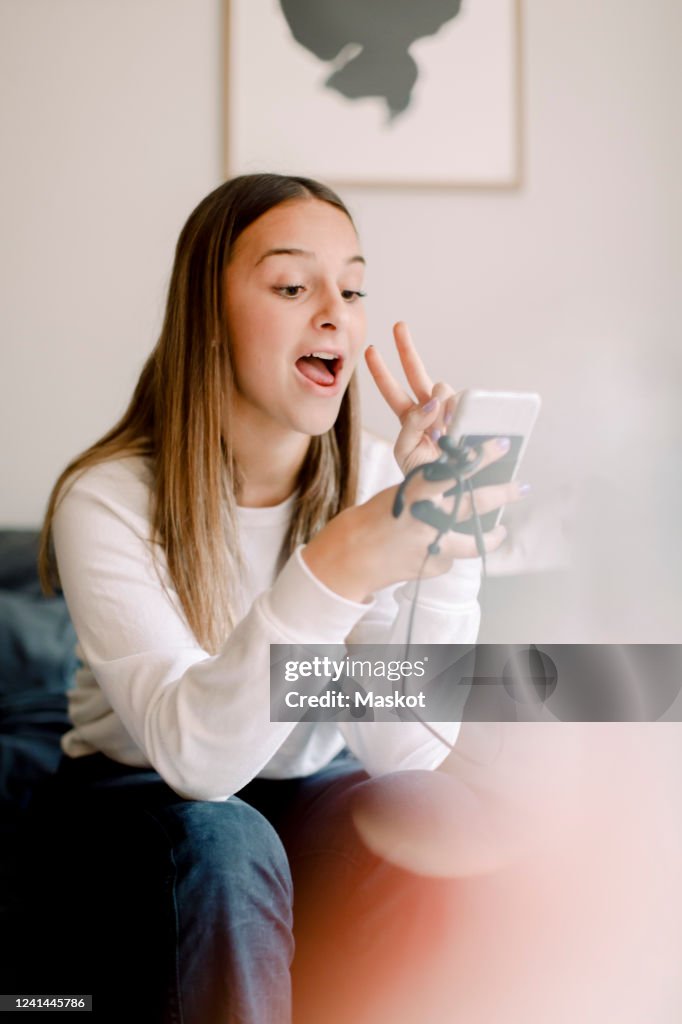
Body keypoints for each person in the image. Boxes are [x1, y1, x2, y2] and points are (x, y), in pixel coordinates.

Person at [30, 173, 526, 1024]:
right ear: (208, 320)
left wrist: (442, 546)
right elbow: (201, 766)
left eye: (353, 286)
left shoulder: (377, 477)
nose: (334, 309)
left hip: (304, 793)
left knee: (430, 806)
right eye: (294, 286)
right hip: (142, 800)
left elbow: (406, 748)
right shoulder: (107, 500)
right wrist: (333, 569)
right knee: (226, 836)